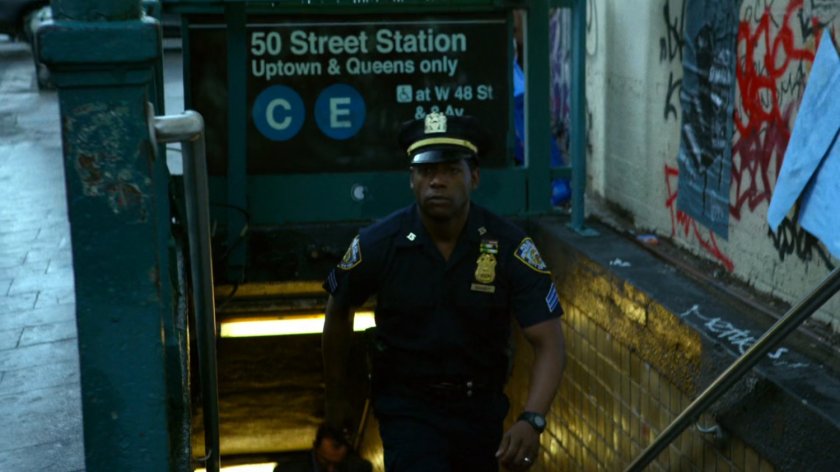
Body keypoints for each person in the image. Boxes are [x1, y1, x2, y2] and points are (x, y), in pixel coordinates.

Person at [322, 112, 566, 471]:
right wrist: (338, 393)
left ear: (475, 177)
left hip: (480, 412)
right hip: (407, 410)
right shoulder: (380, 243)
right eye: (426, 171)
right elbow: (338, 308)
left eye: (451, 170)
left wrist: (533, 420)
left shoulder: (509, 247)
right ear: (412, 180)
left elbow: (549, 340)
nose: (437, 181)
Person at [274, 423, 372, 472]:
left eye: (337, 464)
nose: (331, 470)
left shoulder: (357, 468)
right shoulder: (289, 470)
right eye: (325, 462)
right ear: (315, 447)